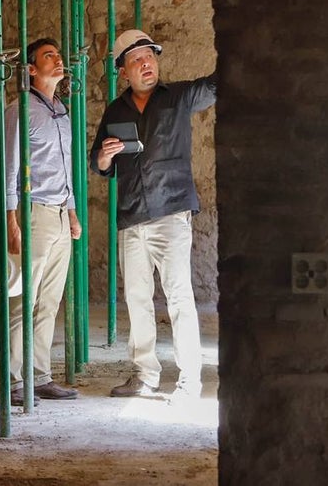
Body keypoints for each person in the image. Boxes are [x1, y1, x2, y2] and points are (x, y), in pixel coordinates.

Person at [90, 29, 216, 404]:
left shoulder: (178, 97)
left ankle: (189, 381)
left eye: (150, 57)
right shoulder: (115, 111)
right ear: (124, 72)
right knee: (138, 300)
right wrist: (105, 156)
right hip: (131, 217)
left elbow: (217, 85)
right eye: (137, 60)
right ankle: (145, 376)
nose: (147, 64)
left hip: (172, 211)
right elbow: (99, 163)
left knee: (179, 298)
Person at [1, 37, 82, 406]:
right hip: (33, 212)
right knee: (23, 298)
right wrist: (12, 222)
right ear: (32, 69)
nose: (58, 59)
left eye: (58, 54)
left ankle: (41, 375)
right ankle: (16, 381)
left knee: (49, 301)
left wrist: (73, 212)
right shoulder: (20, 109)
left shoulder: (61, 110)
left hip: (60, 216)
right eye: (49, 55)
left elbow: (66, 167)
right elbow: (9, 167)